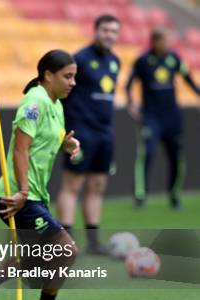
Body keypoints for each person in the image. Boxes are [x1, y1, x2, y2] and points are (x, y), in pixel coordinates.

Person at [0, 50, 80, 300]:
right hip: (16, 195)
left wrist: (66, 144)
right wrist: (22, 192)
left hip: (35, 194)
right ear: (48, 75)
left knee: (28, 255)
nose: (73, 82)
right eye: (67, 76)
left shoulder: (55, 104)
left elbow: (47, 140)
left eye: (74, 77)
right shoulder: (34, 102)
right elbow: (20, 150)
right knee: (66, 250)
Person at [56, 14, 120, 254]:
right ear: (96, 30)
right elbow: (64, 94)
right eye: (105, 30)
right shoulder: (80, 59)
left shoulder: (115, 61)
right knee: (72, 185)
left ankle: (93, 243)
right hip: (82, 131)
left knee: (97, 185)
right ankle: (66, 242)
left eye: (114, 31)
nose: (109, 35)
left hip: (105, 133)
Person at [126, 26, 200, 208]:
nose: (168, 44)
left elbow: (188, 78)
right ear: (155, 41)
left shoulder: (174, 58)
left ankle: (174, 194)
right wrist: (131, 102)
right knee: (147, 153)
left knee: (176, 157)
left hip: (172, 117)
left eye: (169, 41)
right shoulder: (143, 61)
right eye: (164, 40)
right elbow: (129, 83)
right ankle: (140, 195)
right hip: (151, 116)